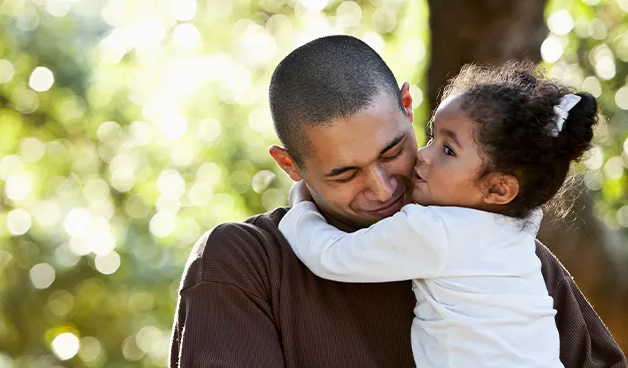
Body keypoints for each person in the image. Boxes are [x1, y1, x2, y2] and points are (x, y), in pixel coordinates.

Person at [169, 35, 626, 367]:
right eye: (345, 174)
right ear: (291, 167)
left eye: (392, 152)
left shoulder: (513, 257)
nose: (384, 188)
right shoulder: (244, 264)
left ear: (408, 108)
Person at [278, 61, 592, 367]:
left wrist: (301, 205)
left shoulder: (432, 230)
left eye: (447, 150)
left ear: (498, 189)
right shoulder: (517, 232)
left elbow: (331, 256)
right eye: (432, 137)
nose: (424, 156)